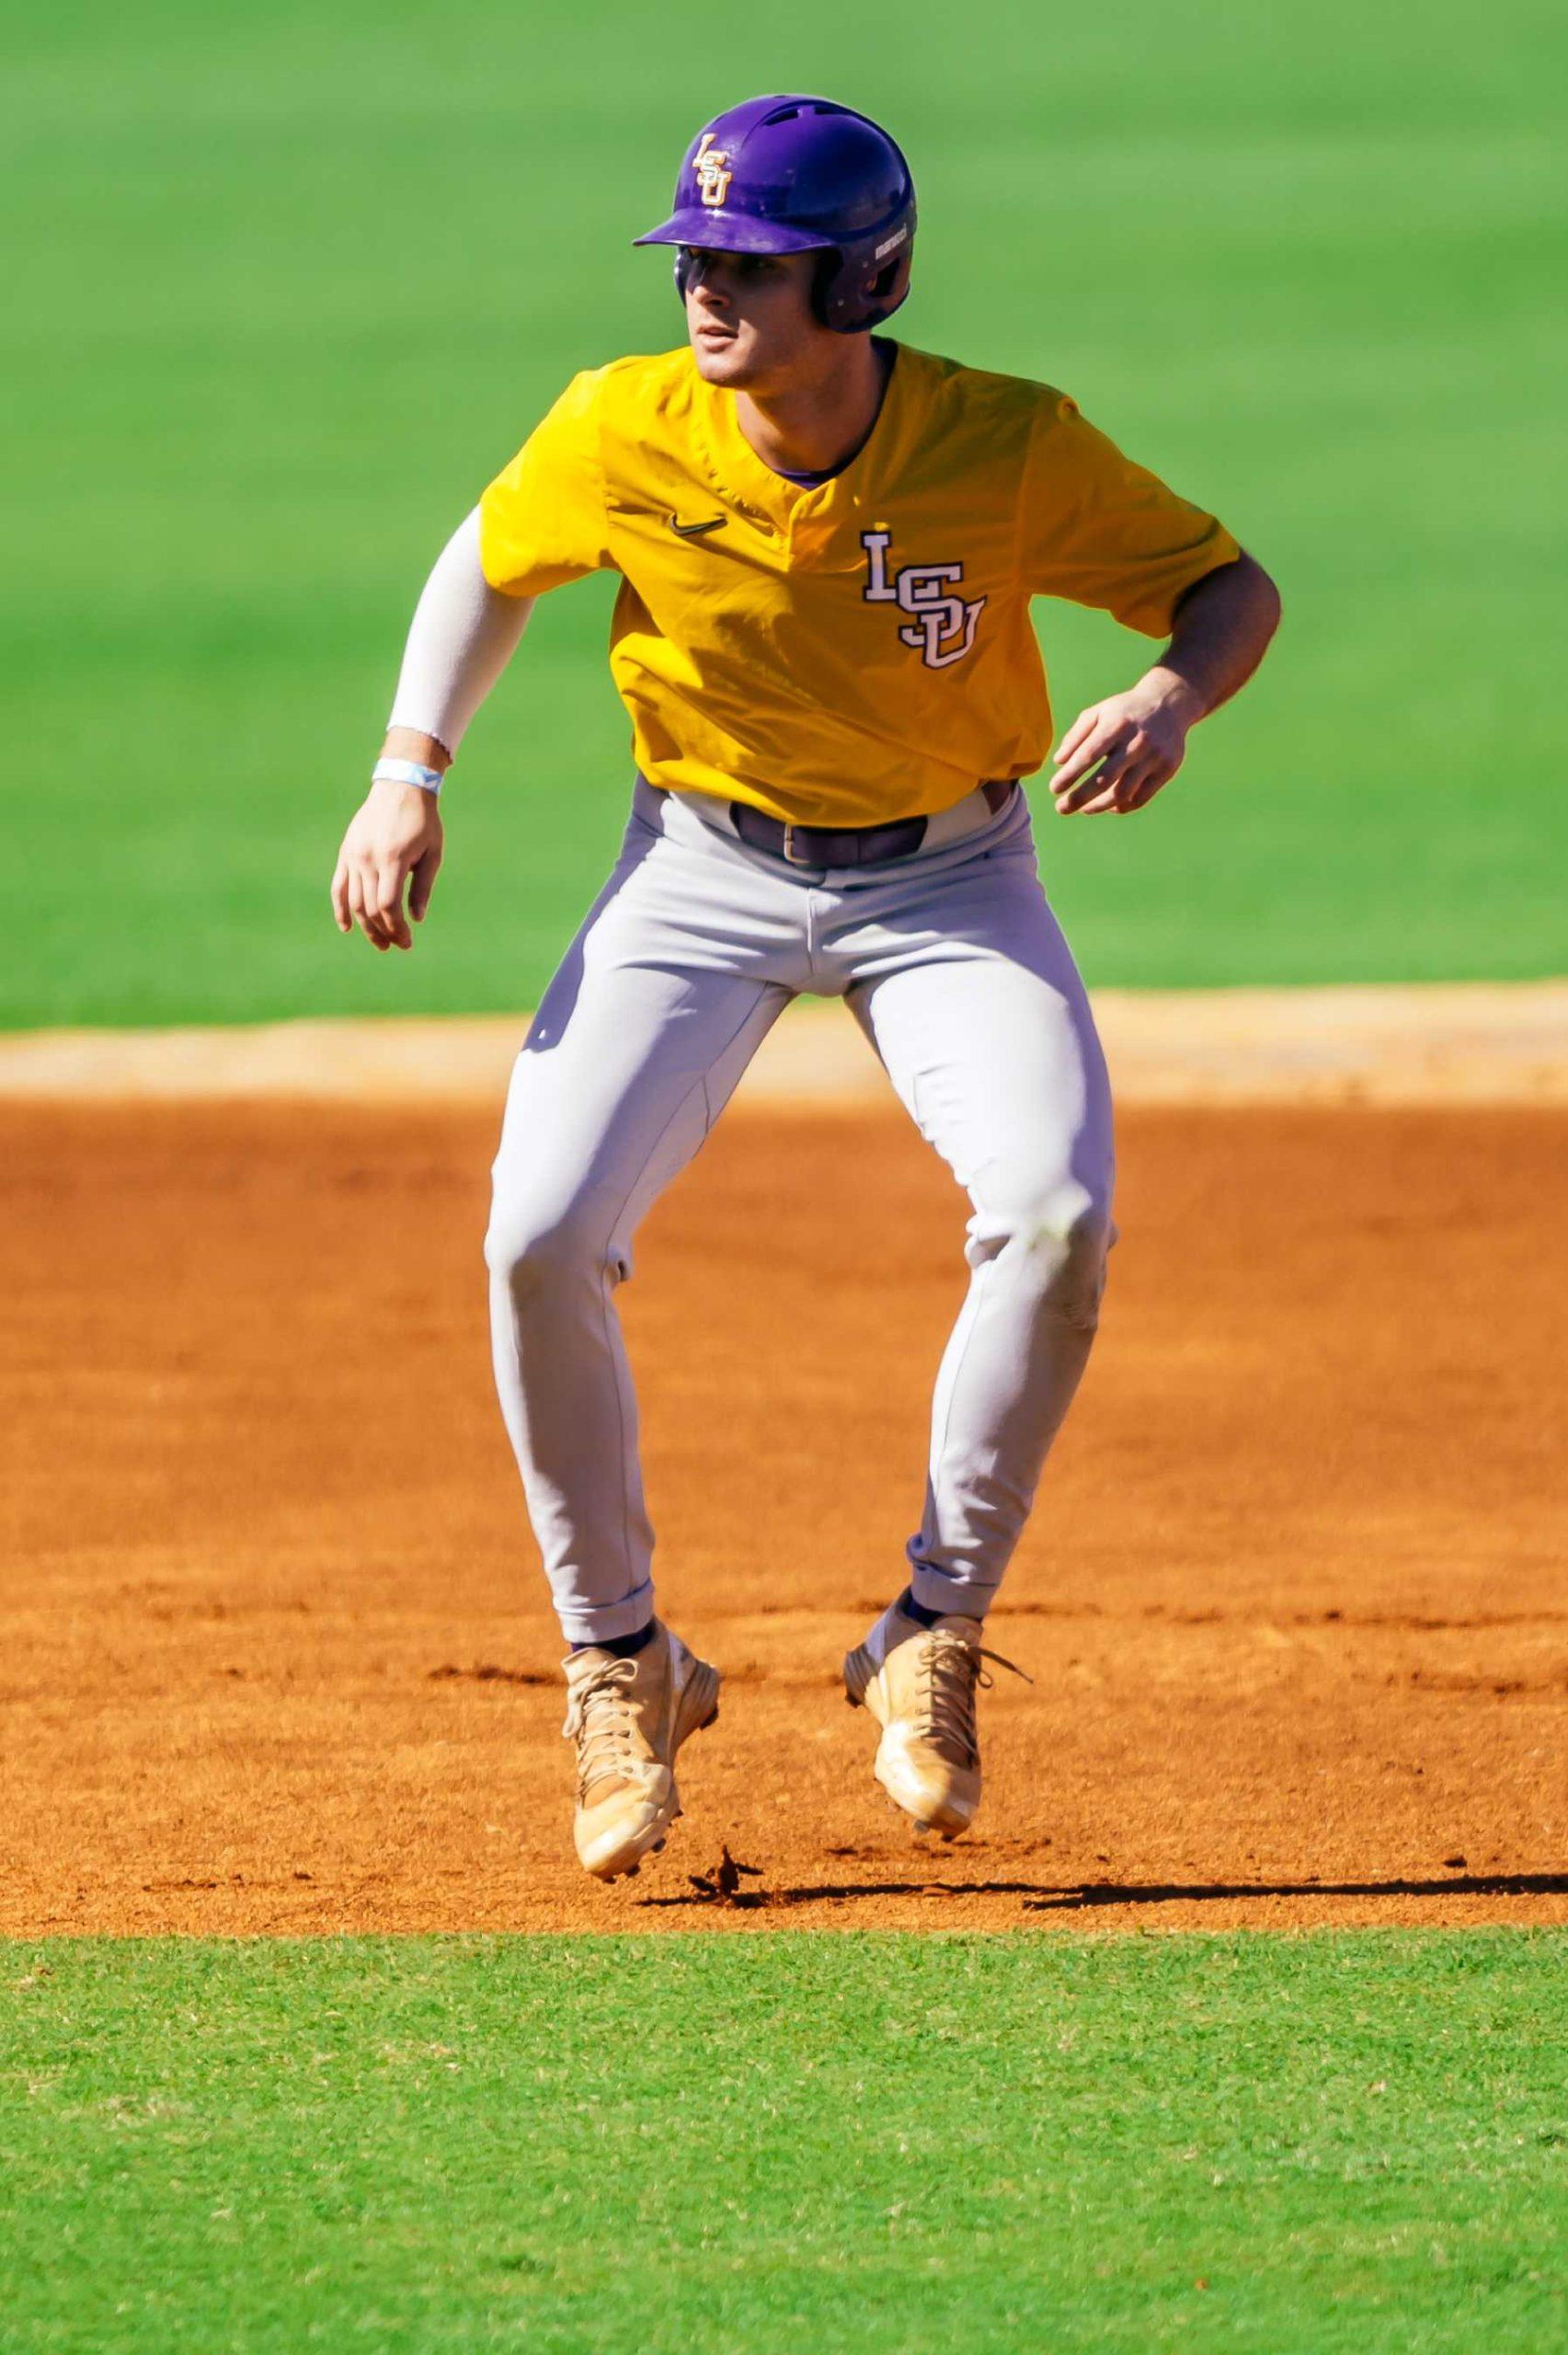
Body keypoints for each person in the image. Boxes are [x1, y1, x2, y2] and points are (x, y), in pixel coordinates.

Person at [330, 94, 1280, 1882]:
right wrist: (410, 767)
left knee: (1057, 1213)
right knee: (534, 1227)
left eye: (747, 263)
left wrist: (1169, 695)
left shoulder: (1003, 447)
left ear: (856, 277)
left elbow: (1227, 586)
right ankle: (621, 1661)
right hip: (696, 872)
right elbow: (490, 555)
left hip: (949, 874)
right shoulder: (624, 422)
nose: (704, 289)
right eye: (692, 255)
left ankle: (929, 1625)